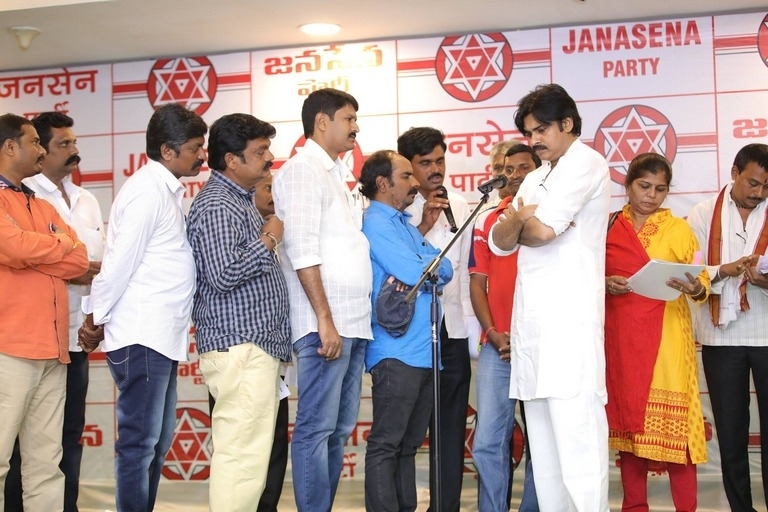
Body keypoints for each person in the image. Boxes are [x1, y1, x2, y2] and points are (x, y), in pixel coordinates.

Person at [78, 103, 207, 512]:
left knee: (154, 442)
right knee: (138, 444)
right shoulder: (146, 192)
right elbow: (118, 265)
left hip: (159, 336)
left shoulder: (166, 190)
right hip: (142, 336)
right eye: (194, 148)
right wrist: (95, 318)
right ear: (167, 151)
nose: (202, 155)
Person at [489, 83, 610, 512]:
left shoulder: (587, 163)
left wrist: (524, 220)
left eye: (542, 129)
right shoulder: (536, 177)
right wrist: (523, 216)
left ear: (568, 124)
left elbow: (540, 234)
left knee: (580, 448)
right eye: (529, 132)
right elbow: (500, 243)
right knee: (546, 456)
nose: (535, 140)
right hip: (533, 330)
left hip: (570, 326)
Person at [271, 88, 372, 512]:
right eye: (349, 118)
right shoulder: (301, 171)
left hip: (351, 323)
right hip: (323, 327)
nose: (355, 127)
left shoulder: (334, 173)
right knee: (315, 429)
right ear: (322, 122)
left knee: (338, 429)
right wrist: (324, 320)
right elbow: (302, 249)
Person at [187, 113, 291, 511]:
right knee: (240, 460)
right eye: (260, 151)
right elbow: (222, 274)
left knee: (247, 459)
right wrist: (268, 238)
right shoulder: (216, 204)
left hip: (253, 347)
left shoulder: (238, 201)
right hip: (240, 346)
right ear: (232, 160)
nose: (270, 158)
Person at [5, 112, 105, 512]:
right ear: (10, 146)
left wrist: (44, 251)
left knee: (48, 462)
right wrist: (53, 248)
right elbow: (15, 248)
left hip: (56, 348)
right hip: (8, 347)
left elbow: (77, 260)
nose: (42, 150)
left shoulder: (41, 206)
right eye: (35, 143)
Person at [604, 153, 709, 512]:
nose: (651, 195)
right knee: (630, 434)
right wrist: (605, 283)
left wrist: (694, 286)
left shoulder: (678, 229)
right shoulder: (608, 226)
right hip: (620, 340)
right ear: (628, 184)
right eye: (643, 186)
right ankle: (634, 507)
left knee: (675, 436)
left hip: (666, 340)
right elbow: (586, 276)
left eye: (660, 189)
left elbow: (702, 277)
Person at [359, 149, 453, 512]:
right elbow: (422, 273)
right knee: (387, 443)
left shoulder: (402, 224)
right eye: (405, 177)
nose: (415, 183)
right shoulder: (377, 223)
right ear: (383, 184)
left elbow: (444, 270)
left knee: (409, 444)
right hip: (395, 351)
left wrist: (425, 266)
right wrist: (425, 266)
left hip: (424, 351)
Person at [687, 143, 768, 512]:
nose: (759, 193)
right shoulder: (701, 215)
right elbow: (690, 274)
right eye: (752, 183)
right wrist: (727, 270)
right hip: (721, 338)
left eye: (767, 187)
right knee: (732, 434)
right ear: (734, 174)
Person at [398, 126, 474, 512]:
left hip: (452, 332)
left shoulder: (462, 205)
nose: (435, 170)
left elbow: (464, 279)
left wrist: (471, 334)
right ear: (406, 167)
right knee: (407, 432)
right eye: (425, 163)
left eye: (440, 160)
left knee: (449, 431)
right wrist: (424, 224)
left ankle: (446, 507)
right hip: (410, 335)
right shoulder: (395, 210)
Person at [469, 143, 541, 512]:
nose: (514, 175)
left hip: (538, 346)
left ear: (541, 171)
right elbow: (477, 283)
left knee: (540, 441)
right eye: (508, 169)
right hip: (497, 345)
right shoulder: (485, 219)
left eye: (523, 168)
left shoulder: (549, 218)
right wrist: (492, 331)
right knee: (487, 441)